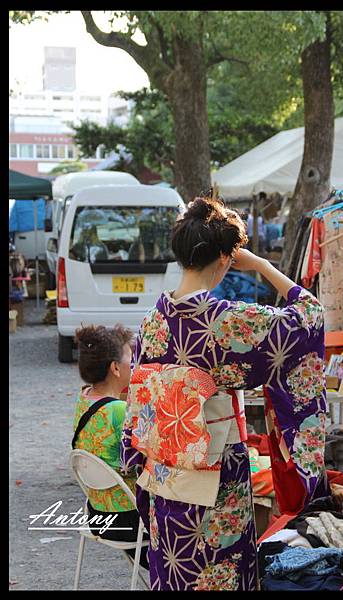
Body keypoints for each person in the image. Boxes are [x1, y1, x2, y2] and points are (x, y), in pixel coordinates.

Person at [120, 194, 327, 591]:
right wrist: (264, 266)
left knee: (177, 574)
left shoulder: (152, 322)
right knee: (221, 575)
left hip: (165, 479)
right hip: (216, 480)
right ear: (225, 258)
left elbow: (137, 409)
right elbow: (309, 318)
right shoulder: (225, 322)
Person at [73, 324, 149, 568]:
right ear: (115, 368)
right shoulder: (118, 410)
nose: (134, 363)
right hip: (129, 523)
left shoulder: (85, 397)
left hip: (98, 515)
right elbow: (147, 453)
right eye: (130, 357)